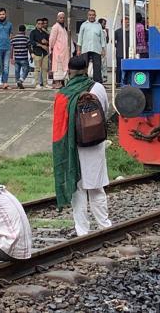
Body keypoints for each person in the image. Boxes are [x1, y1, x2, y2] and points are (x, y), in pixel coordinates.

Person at [52, 55, 112, 236]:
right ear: (87, 69)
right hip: (94, 144)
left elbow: (59, 126)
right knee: (96, 188)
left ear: (69, 71)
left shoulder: (63, 94)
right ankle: (105, 225)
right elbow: (106, 109)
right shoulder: (98, 88)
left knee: (77, 189)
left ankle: (82, 231)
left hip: (73, 147)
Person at [78, 9, 107, 83]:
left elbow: (102, 38)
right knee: (84, 66)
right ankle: (84, 82)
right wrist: (78, 49)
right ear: (88, 16)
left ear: (95, 16)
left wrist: (103, 49)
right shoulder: (84, 25)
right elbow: (80, 37)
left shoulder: (98, 25)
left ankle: (97, 82)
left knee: (97, 66)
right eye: (90, 15)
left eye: (93, 15)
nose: (91, 16)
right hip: (85, 48)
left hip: (96, 48)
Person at [49, 12, 70, 89]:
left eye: (63, 18)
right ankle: (57, 83)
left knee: (64, 67)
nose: (62, 19)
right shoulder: (55, 27)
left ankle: (61, 82)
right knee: (57, 67)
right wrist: (51, 47)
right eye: (60, 18)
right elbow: (52, 39)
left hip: (64, 51)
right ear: (57, 18)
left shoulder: (63, 27)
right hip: (57, 50)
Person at [29, 18, 50, 89]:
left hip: (45, 53)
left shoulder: (45, 33)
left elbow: (50, 41)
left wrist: (46, 42)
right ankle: (36, 83)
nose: (40, 25)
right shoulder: (33, 32)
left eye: (42, 23)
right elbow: (31, 42)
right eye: (39, 23)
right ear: (36, 24)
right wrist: (41, 45)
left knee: (45, 68)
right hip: (37, 52)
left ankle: (45, 83)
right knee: (37, 69)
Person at [10, 25, 30, 89]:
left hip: (16, 58)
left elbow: (11, 49)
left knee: (17, 71)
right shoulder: (26, 38)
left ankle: (17, 83)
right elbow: (29, 47)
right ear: (25, 30)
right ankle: (21, 80)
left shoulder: (14, 38)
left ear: (18, 30)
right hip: (24, 58)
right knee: (26, 70)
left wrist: (11, 58)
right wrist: (31, 56)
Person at [113, 16, 130, 85]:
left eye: (128, 22)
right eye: (126, 22)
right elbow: (113, 41)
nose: (127, 23)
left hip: (129, 53)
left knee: (128, 67)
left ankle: (127, 81)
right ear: (122, 23)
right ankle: (118, 82)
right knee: (119, 67)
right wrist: (117, 46)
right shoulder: (117, 31)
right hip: (120, 52)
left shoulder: (130, 31)